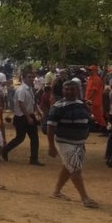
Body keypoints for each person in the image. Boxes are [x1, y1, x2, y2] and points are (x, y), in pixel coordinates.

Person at [46, 78, 98, 208]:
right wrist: (51, 146)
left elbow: (87, 119)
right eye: (67, 89)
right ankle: (85, 198)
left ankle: (57, 191)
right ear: (63, 90)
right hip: (65, 142)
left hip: (79, 142)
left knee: (68, 166)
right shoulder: (57, 107)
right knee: (75, 169)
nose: (69, 91)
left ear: (77, 90)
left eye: (72, 89)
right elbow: (50, 127)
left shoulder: (82, 104)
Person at [3, 69, 43, 165]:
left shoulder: (30, 89)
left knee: (33, 138)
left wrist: (38, 111)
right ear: (23, 78)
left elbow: (32, 102)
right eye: (29, 77)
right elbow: (21, 104)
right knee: (20, 138)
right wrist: (28, 117)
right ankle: (4, 150)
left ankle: (34, 158)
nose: (31, 79)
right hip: (22, 117)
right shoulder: (21, 90)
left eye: (32, 77)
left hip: (28, 115)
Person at [84, 65, 106, 132]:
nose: (88, 71)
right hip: (91, 100)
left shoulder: (96, 79)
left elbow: (94, 91)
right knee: (93, 114)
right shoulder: (91, 78)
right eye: (88, 70)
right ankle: (98, 127)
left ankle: (104, 128)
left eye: (90, 70)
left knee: (98, 115)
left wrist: (88, 98)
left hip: (94, 101)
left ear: (94, 71)